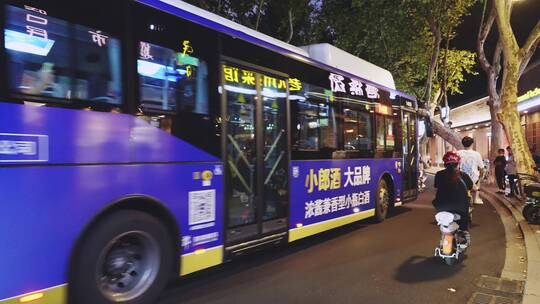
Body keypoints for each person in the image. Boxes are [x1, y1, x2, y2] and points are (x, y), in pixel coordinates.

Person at [433, 151, 473, 244]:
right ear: (458, 164)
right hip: (460, 207)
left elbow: (436, 189)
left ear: (444, 164)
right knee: (465, 217)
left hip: (441, 206)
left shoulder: (439, 175)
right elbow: (471, 187)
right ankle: (464, 232)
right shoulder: (464, 175)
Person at [457, 136, 485, 205]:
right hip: (473, 179)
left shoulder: (458, 153)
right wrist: (481, 176)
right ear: (472, 144)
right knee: (478, 179)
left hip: (461, 178)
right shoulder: (476, 154)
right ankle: (476, 198)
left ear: (462, 144)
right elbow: (482, 168)